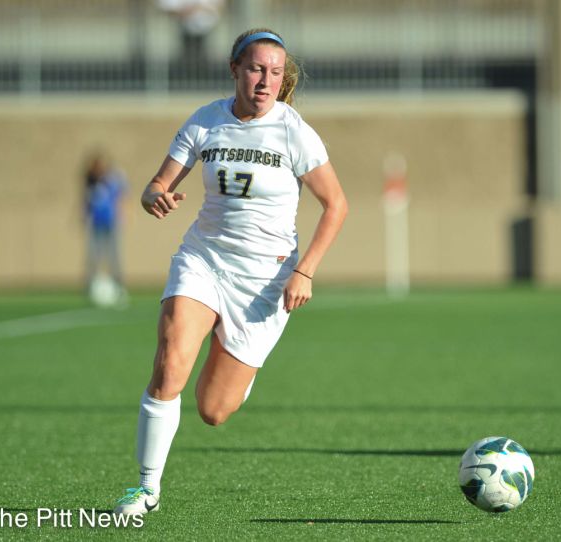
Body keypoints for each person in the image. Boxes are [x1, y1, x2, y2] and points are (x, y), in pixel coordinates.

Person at [113, 28, 348, 516]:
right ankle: (146, 488)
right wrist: (154, 195)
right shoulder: (205, 121)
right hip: (204, 258)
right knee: (171, 361)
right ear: (235, 69)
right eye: (257, 69)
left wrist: (304, 272)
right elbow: (156, 184)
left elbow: (337, 205)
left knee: (214, 410)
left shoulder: (294, 131)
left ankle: (238, 373)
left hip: (264, 281)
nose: (266, 81)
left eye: (276, 73)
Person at [82, 152, 128, 306]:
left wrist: (123, 214)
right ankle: (91, 286)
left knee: (114, 256)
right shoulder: (90, 181)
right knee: (94, 256)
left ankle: (119, 286)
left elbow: (122, 195)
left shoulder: (113, 179)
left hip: (111, 222)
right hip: (96, 223)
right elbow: (86, 201)